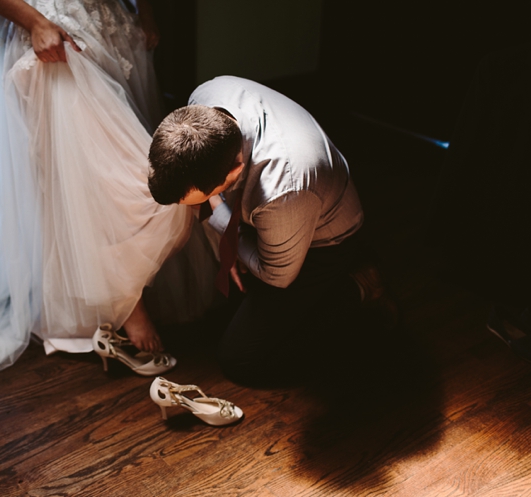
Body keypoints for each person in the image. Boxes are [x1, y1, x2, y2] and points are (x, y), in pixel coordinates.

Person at [0, 0, 213, 374]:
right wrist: (33, 20)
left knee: (99, 163)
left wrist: (145, 13)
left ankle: (122, 290)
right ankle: (127, 306)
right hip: (52, 30)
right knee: (90, 175)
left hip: (108, 23)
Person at [146, 75, 380, 386]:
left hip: (324, 240)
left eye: (198, 202)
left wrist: (227, 228)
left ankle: (358, 286)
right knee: (230, 307)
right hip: (268, 217)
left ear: (234, 171)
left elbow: (276, 275)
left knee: (241, 359)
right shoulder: (204, 97)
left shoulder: (283, 188)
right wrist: (228, 230)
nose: (192, 208)